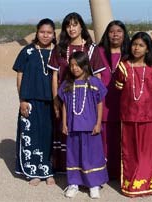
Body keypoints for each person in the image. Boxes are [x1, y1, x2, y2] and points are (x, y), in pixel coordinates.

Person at [47, 12, 100, 172]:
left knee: (86, 135)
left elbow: (97, 75)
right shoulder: (60, 49)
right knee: (66, 131)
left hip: (86, 101)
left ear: (81, 26)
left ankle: (89, 171)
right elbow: (55, 75)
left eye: (75, 24)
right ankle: (67, 169)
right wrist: (56, 100)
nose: (71, 28)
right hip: (66, 98)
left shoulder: (91, 49)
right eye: (68, 25)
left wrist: (96, 101)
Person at [115, 32, 152, 197]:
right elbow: (119, 87)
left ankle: (148, 184)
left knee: (148, 151)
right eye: (134, 44)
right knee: (130, 150)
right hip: (129, 116)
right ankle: (131, 184)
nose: (136, 48)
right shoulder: (123, 66)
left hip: (150, 116)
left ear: (148, 48)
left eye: (141, 45)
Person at [58, 51, 108, 199]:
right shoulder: (67, 84)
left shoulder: (94, 82)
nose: (74, 68)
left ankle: (93, 184)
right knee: (74, 155)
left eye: (78, 65)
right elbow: (65, 105)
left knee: (92, 155)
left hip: (90, 127)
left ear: (85, 65)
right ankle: (74, 183)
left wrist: (98, 123)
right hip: (73, 127)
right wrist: (64, 123)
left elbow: (100, 104)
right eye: (72, 65)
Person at [13, 18, 56, 186]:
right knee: (32, 136)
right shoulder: (27, 51)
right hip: (30, 101)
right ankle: (34, 172)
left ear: (54, 35)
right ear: (37, 32)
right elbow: (19, 76)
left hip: (51, 102)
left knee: (49, 136)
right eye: (42, 32)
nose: (45, 35)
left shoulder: (57, 52)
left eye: (49, 32)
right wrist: (22, 99)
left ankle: (49, 171)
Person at [92, 20, 130, 179]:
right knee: (104, 138)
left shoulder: (130, 53)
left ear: (124, 34)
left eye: (119, 31)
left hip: (124, 101)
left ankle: (119, 172)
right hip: (103, 101)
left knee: (121, 138)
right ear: (107, 34)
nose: (115, 34)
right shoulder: (98, 52)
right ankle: (103, 172)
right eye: (112, 31)